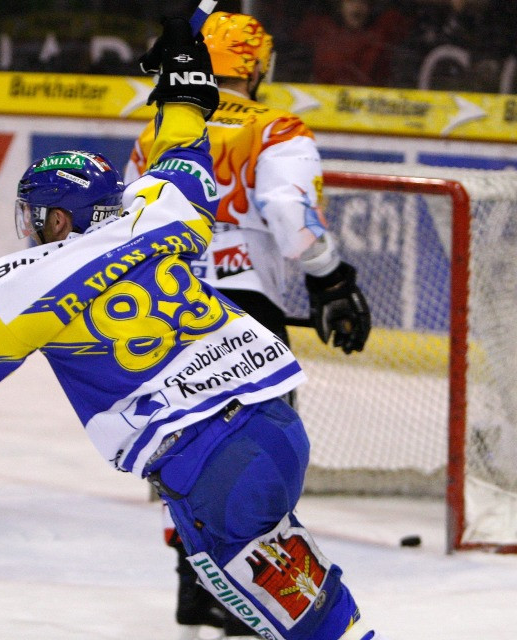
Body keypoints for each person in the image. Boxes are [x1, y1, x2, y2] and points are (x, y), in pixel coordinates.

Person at [0, 16, 386, 640]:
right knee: (296, 594)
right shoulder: (159, 212)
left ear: (53, 220)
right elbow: (184, 152)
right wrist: (183, 87)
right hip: (273, 420)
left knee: (300, 621)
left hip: (208, 462)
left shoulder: (29, 276)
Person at [125, 13, 372, 639]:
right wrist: (331, 277)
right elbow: (290, 215)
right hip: (242, 316)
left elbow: (126, 227)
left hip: (165, 310)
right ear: (257, 66)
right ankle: (262, 603)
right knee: (255, 459)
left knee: (179, 451)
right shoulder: (274, 127)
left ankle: (195, 588)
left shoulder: (159, 132)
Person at [291, 0, 409, 87]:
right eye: (351, 1)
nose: (357, 6)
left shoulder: (382, 31)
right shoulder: (321, 28)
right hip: (323, 101)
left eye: (363, 2)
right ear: (340, 5)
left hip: (370, 103)